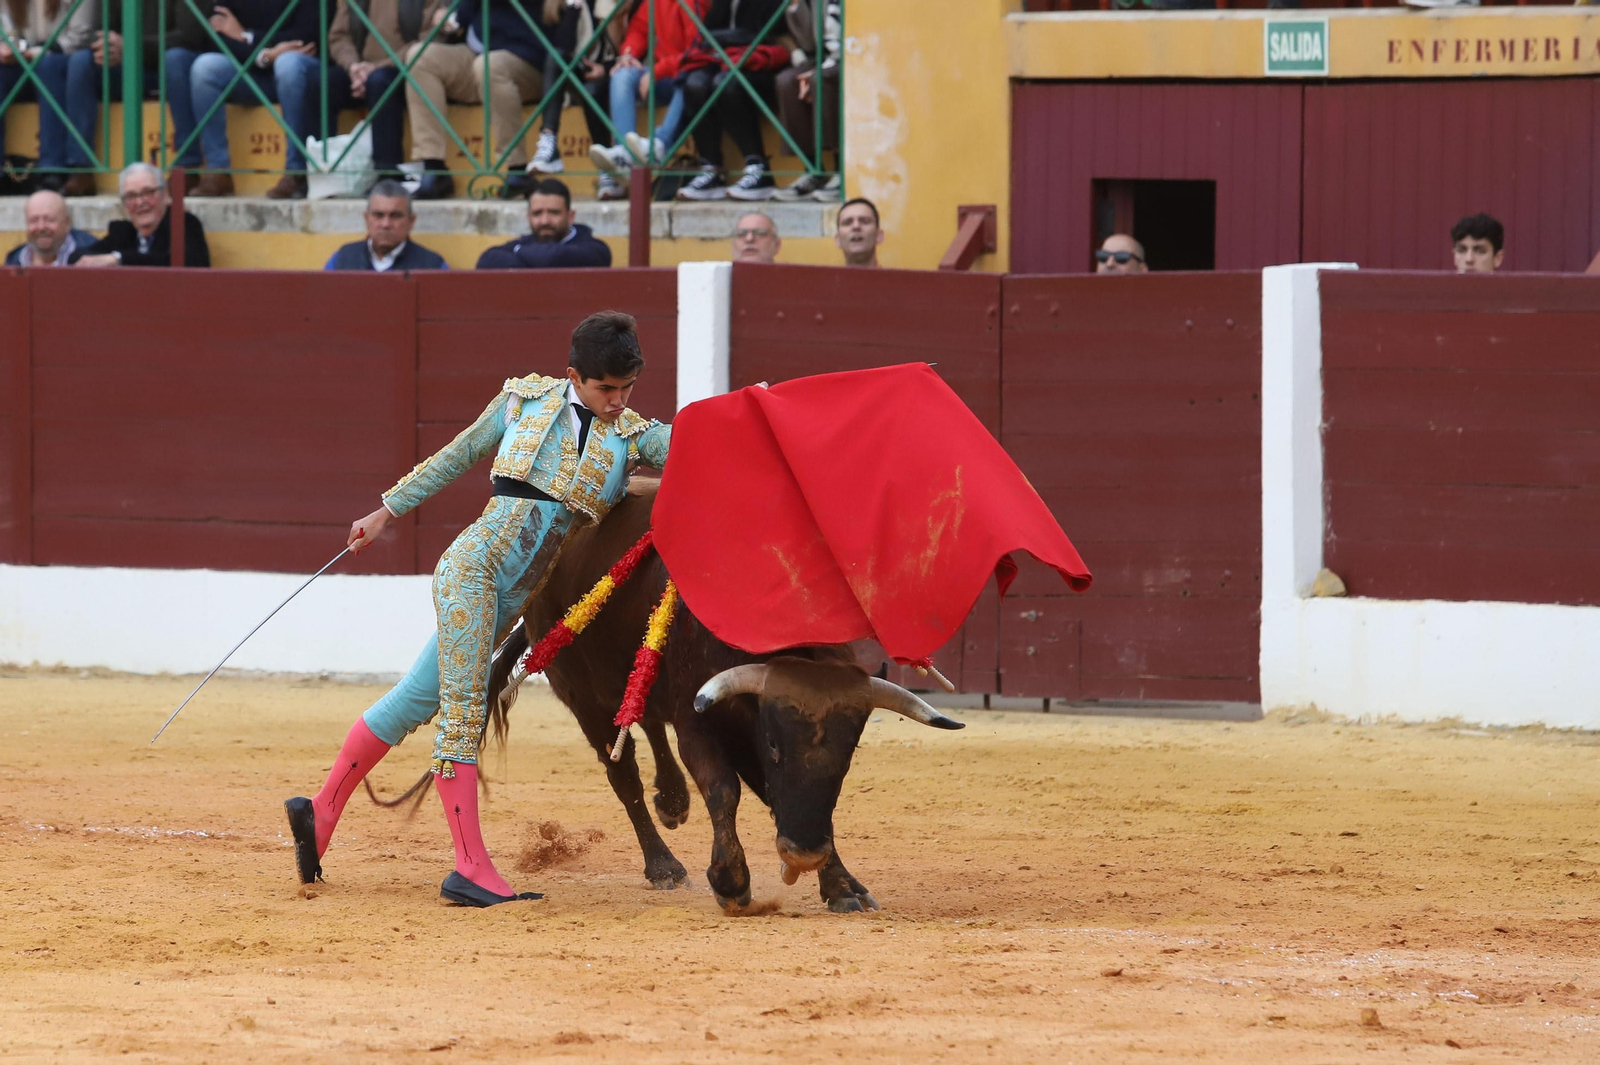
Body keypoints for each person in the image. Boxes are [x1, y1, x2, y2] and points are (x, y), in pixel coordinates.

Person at [284, 310, 673, 907]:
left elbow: (691, 446)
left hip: (513, 598)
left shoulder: (630, 436)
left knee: (414, 700)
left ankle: (319, 811)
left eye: (627, 389)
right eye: (606, 389)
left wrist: (751, 414)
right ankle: (469, 867)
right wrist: (386, 511)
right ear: (575, 375)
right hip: (472, 571)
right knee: (463, 717)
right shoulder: (523, 401)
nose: (618, 401)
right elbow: (456, 456)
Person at [164, 0, 332, 199]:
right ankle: (218, 170)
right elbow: (218, 37)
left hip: (296, 69)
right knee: (205, 67)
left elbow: (307, 36)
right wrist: (264, 55)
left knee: (288, 64)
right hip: (249, 67)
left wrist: (246, 36)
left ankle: (296, 171)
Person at [405, 0, 550, 200]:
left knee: (489, 65)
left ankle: (516, 170)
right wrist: (449, 16)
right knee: (420, 57)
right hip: (479, 56)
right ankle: (434, 168)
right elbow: (460, 17)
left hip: (528, 59)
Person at [587, 0, 707, 200]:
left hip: (688, 72)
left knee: (688, 80)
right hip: (664, 76)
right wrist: (628, 54)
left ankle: (658, 147)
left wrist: (658, 71)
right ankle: (624, 153)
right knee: (623, 73)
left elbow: (696, 53)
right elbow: (639, 29)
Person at [674, 0, 790, 202]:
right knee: (694, 83)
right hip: (725, 61)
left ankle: (758, 168)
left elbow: (771, 33)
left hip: (762, 65)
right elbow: (706, 35)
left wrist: (728, 39)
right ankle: (711, 169)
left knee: (725, 83)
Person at [325, 0, 447, 181]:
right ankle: (315, 171)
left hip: (407, 66)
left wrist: (377, 67)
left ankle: (388, 174)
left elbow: (433, 36)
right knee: (321, 83)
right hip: (360, 71)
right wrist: (353, 67)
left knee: (380, 81)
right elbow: (339, 36)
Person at [0, 0, 100, 196]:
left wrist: (35, 53)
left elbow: (80, 36)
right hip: (25, 60)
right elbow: (7, 30)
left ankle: (52, 169)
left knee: (48, 66)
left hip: (66, 58)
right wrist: (6, 48)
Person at [526, 0, 624, 200]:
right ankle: (549, 141)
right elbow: (564, 46)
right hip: (579, 69)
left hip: (615, 71)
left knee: (592, 90)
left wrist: (605, 69)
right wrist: (574, 9)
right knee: (556, 58)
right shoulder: (562, 4)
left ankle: (607, 170)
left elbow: (636, 47)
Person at [74, 162, 211, 267]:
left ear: (166, 196)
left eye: (148, 192)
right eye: (131, 196)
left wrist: (119, 259)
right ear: (124, 205)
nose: (140, 202)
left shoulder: (183, 224)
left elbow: (186, 262)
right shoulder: (123, 233)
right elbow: (76, 257)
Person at [772, 0, 840, 202]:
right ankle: (812, 169)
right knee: (786, 82)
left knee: (821, 80)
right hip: (822, 59)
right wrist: (796, 7)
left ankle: (840, 170)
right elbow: (809, 42)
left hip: (850, 57)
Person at [475, 177, 611, 268]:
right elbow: (485, 261)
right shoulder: (522, 243)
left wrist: (520, 252)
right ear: (528, 216)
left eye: (554, 212)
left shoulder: (595, 249)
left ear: (570, 216)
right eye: (537, 213)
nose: (545, 221)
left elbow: (551, 257)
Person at [324, 180, 448, 271]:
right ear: (367, 219)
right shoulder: (342, 259)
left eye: (395, 216)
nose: (386, 224)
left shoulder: (433, 266)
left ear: (411, 221)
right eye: (378, 215)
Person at [5, 189, 97, 266]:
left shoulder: (94, 256)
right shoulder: (15, 260)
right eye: (34, 220)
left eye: (49, 220)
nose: (41, 227)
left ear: (67, 222)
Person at [835, 196, 882, 267]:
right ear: (837, 240)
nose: (856, 226)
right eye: (847, 222)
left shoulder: (898, 278)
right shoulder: (824, 278)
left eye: (865, 221)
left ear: (879, 236)